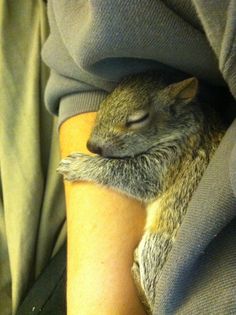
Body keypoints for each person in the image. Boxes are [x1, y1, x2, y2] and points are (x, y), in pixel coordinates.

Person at [1, 1, 236, 314]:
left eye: (136, 121)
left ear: (178, 103)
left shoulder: (186, 136)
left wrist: (93, 168)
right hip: (110, 280)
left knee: (155, 250)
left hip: (179, 253)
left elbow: (148, 182)